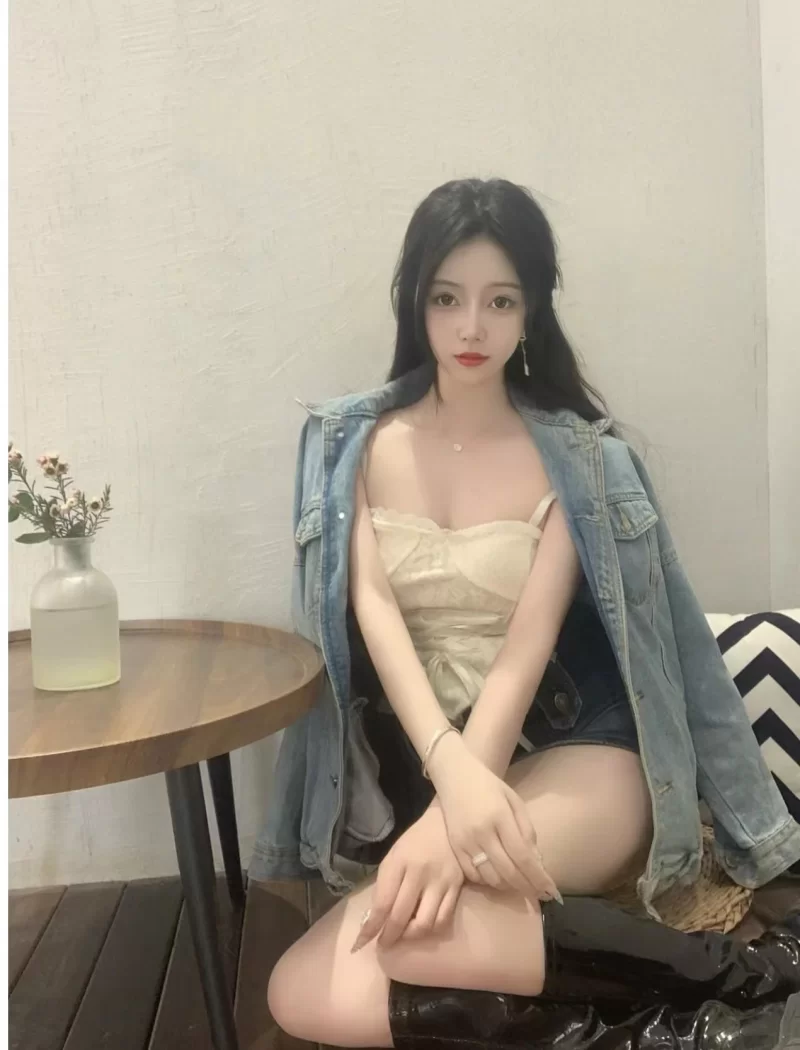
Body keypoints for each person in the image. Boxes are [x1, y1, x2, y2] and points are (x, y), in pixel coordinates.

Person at [255, 178, 800, 1048]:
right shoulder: (351, 446)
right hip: (430, 761)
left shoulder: (577, 456)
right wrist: (451, 781)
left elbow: (527, 643)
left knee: (401, 942)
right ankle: (711, 1018)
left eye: (500, 301)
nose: (472, 328)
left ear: (533, 308)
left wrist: (458, 813)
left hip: (580, 746)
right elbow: (376, 616)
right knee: (302, 992)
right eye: (448, 298)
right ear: (414, 302)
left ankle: (746, 974)